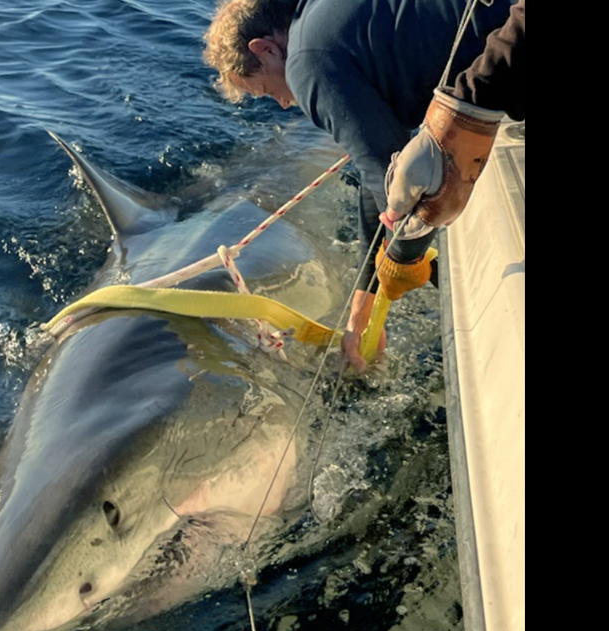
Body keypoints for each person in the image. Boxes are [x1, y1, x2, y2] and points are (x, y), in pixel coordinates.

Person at [203, 0, 523, 372]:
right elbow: (383, 172)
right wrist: (364, 301)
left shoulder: (305, 64)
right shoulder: (329, 21)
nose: (285, 104)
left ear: (265, 48)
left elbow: (402, 184)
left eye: (266, 90)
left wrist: (405, 258)